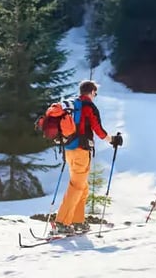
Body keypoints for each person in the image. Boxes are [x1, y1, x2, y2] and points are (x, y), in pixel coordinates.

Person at [53, 80, 123, 234]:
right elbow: (98, 130)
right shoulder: (88, 106)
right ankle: (62, 223)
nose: (95, 96)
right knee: (77, 186)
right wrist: (112, 140)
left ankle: (78, 221)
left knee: (82, 187)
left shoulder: (73, 105)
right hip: (81, 151)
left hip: (69, 150)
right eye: (95, 93)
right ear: (91, 91)